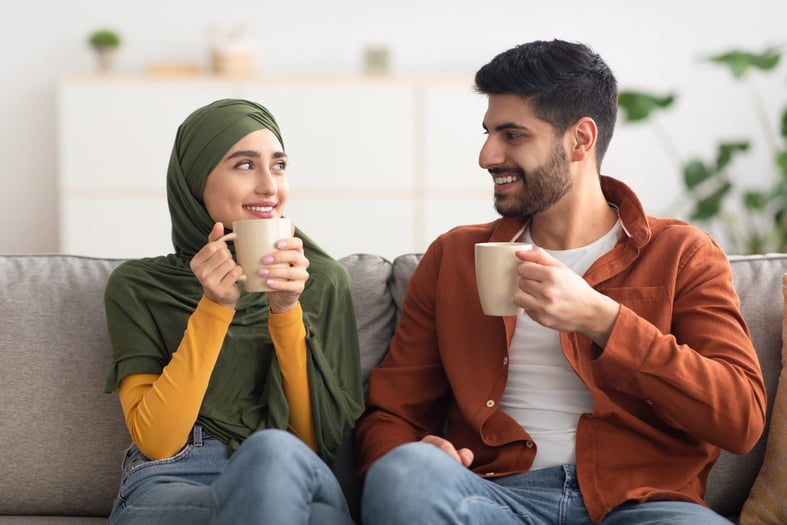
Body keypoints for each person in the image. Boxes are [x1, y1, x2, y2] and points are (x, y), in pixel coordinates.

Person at [354, 40, 767, 525]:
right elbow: (391, 415)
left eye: (512, 135)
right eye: (488, 133)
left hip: (641, 506)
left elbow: (739, 419)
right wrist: (418, 451)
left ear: (580, 139)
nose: (487, 155)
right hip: (492, 499)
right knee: (404, 473)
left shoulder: (682, 254)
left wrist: (604, 320)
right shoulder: (455, 258)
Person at [103, 98, 364, 524]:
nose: (269, 186)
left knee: (273, 451)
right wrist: (214, 308)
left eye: (278, 166)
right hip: (177, 476)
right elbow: (157, 442)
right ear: (195, 180)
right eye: (245, 165)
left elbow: (314, 442)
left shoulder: (321, 281)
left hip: (291, 471)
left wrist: (285, 312)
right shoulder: (137, 287)